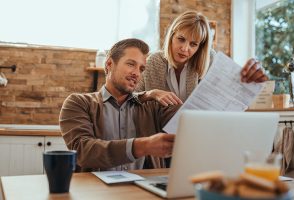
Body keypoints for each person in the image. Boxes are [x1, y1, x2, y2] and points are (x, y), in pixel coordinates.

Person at [59, 38, 179, 172]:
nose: (136, 73)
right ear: (109, 64)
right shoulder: (78, 103)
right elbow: (83, 151)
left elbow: (183, 122)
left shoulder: (152, 106)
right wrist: (143, 146)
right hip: (97, 190)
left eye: (141, 68)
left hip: (143, 188)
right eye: (131, 64)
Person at [136, 10, 268, 106]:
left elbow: (232, 92)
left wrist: (251, 77)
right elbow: (129, 98)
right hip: (157, 135)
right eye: (181, 39)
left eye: (193, 44)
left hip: (198, 131)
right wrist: (151, 93)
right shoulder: (153, 61)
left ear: (200, 47)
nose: (185, 48)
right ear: (171, 36)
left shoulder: (210, 60)